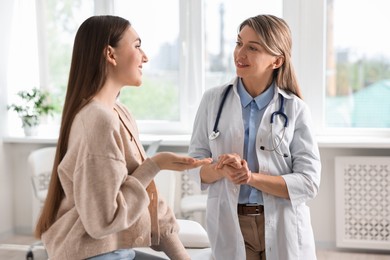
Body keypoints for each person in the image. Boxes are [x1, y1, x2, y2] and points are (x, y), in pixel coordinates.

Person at [34, 15, 211, 260]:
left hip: (115, 250)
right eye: (137, 46)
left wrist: (181, 256)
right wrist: (155, 165)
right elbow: (103, 220)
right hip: (92, 252)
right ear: (110, 54)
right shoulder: (97, 120)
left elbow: (147, 195)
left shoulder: (119, 113)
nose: (145, 57)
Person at [188, 14, 321, 260]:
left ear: (277, 60)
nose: (240, 53)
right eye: (239, 43)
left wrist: (250, 178)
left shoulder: (295, 109)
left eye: (253, 48)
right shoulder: (212, 101)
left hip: (282, 222)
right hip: (231, 221)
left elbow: (309, 182)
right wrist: (221, 169)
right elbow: (193, 167)